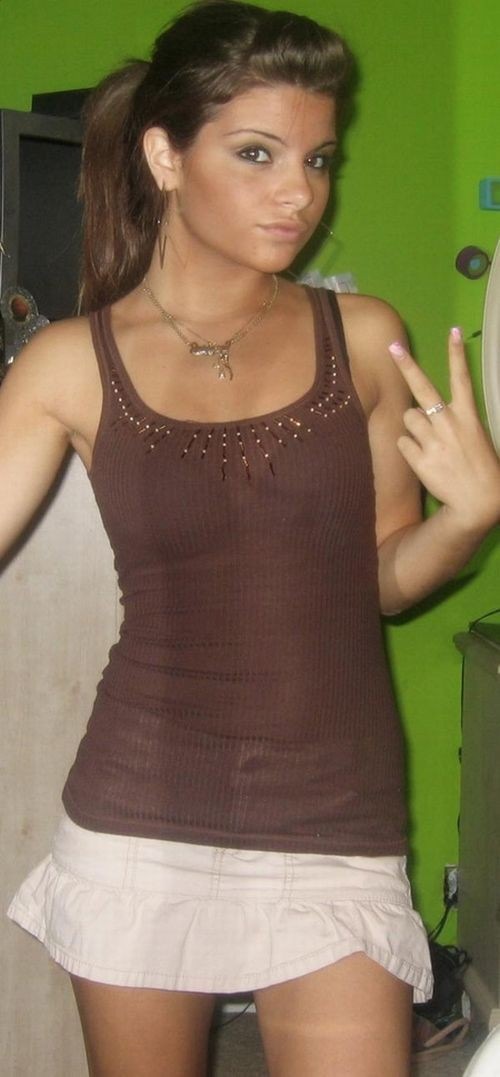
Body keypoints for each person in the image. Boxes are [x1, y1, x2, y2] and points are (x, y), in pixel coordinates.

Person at [3, 1, 500, 1074]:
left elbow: (382, 578)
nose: (299, 193)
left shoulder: (363, 339)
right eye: (257, 154)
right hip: (141, 815)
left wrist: (466, 523)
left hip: (334, 816)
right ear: (164, 157)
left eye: (317, 159)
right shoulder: (70, 363)